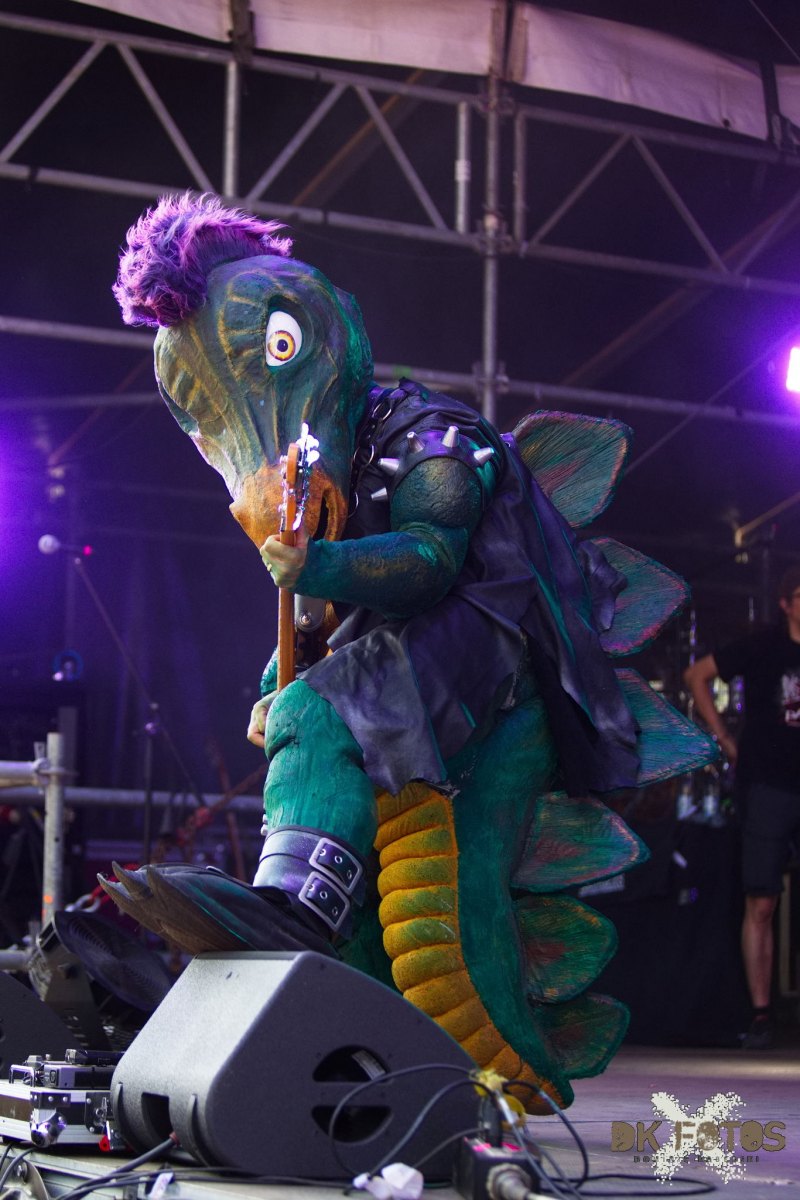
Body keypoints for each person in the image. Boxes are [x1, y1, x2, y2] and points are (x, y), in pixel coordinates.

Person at [684, 565, 800, 1049]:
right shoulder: (764, 646)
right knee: (762, 900)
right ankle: (761, 1014)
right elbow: (696, 675)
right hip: (768, 783)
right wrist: (725, 740)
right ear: (786, 602)